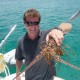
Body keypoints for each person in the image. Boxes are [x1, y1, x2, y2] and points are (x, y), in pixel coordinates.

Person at [15, 9, 72, 80]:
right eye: (29, 23)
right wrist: (18, 74)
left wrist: (58, 29)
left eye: (35, 23)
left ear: (39, 23)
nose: (32, 26)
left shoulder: (48, 35)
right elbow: (18, 59)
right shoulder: (21, 42)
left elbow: (68, 26)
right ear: (24, 23)